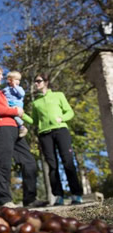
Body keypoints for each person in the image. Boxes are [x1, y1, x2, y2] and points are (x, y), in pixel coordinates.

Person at [0, 64, 47, 208]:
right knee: (4, 162)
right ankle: (4, 200)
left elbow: (15, 106)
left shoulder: (2, 93)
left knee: (29, 162)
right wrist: (15, 111)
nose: (1, 77)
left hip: (14, 128)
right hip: (1, 128)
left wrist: (25, 120)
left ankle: (30, 199)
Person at [31, 73, 83, 206]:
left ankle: (76, 194)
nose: (36, 84)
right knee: (52, 166)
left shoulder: (58, 95)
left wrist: (62, 119)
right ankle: (58, 196)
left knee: (68, 162)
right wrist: (21, 115)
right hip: (44, 134)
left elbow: (69, 112)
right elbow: (34, 121)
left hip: (61, 131)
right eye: (35, 81)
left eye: (39, 81)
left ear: (46, 82)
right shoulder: (36, 103)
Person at [2, 71, 29, 137]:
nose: (18, 82)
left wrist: (15, 86)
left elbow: (22, 94)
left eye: (19, 80)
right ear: (10, 80)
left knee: (14, 115)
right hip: (9, 105)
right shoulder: (6, 89)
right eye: (16, 79)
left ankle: (22, 126)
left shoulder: (19, 88)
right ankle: (18, 127)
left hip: (17, 105)